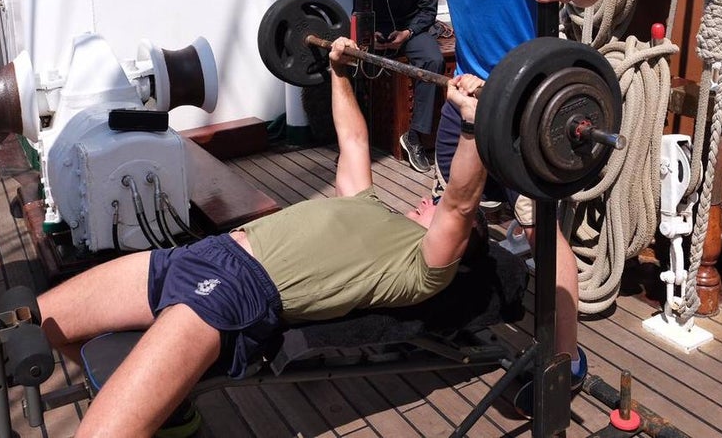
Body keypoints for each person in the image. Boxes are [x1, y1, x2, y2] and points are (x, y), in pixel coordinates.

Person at [36, 37, 487, 438]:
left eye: (435, 204)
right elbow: (353, 139)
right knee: (42, 321)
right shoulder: (366, 202)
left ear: (460, 242)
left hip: (233, 291)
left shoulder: (420, 267)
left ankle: (155, 408)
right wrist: (338, 71)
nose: (429, 198)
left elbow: (460, 204)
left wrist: (472, 125)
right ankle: (170, 412)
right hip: (199, 254)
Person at [350, 0, 602, 416]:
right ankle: (460, 312)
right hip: (464, 103)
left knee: (541, 232)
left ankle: (566, 359)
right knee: (453, 214)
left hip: (519, 109)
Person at [356, 0, 444, 174]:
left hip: (410, 30)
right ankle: (357, 138)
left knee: (433, 60)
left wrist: (407, 32)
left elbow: (428, 10)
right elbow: (359, 6)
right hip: (378, 31)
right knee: (348, 58)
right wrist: (370, 34)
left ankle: (415, 137)